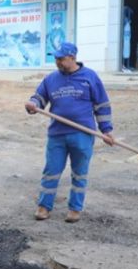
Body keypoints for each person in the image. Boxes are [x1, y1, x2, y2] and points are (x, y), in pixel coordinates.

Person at [25, 42, 115, 223]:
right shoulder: (51, 79)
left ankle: (75, 208)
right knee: (51, 171)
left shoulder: (90, 77)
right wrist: (33, 104)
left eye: (61, 59)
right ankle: (44, 206)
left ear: (73, 58)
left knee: (79, 173)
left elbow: (102, 105)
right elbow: (39, 97)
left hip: (82, 134)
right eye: (56, 58)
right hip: (57, 134)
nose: (57, 62)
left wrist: (107, 130)